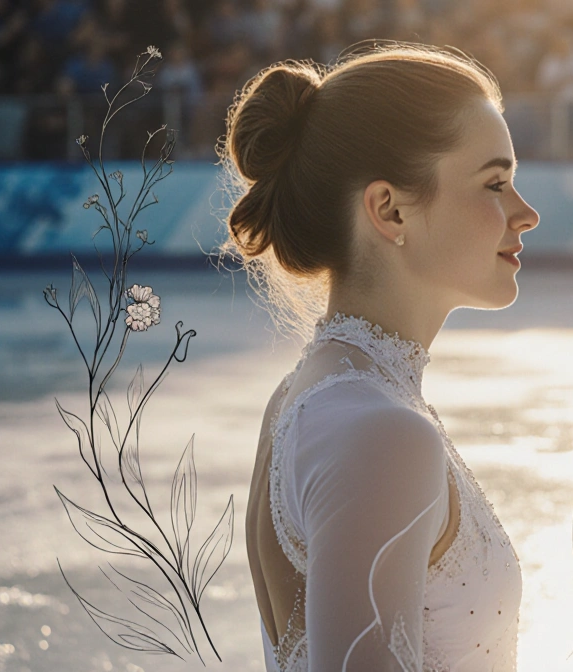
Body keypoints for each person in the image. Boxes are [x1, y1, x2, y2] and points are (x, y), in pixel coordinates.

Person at [225, 44, 539, 670]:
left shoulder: (316, 399)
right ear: (389, 210)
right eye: (494, 183)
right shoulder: (379, 429)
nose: (525, 214)